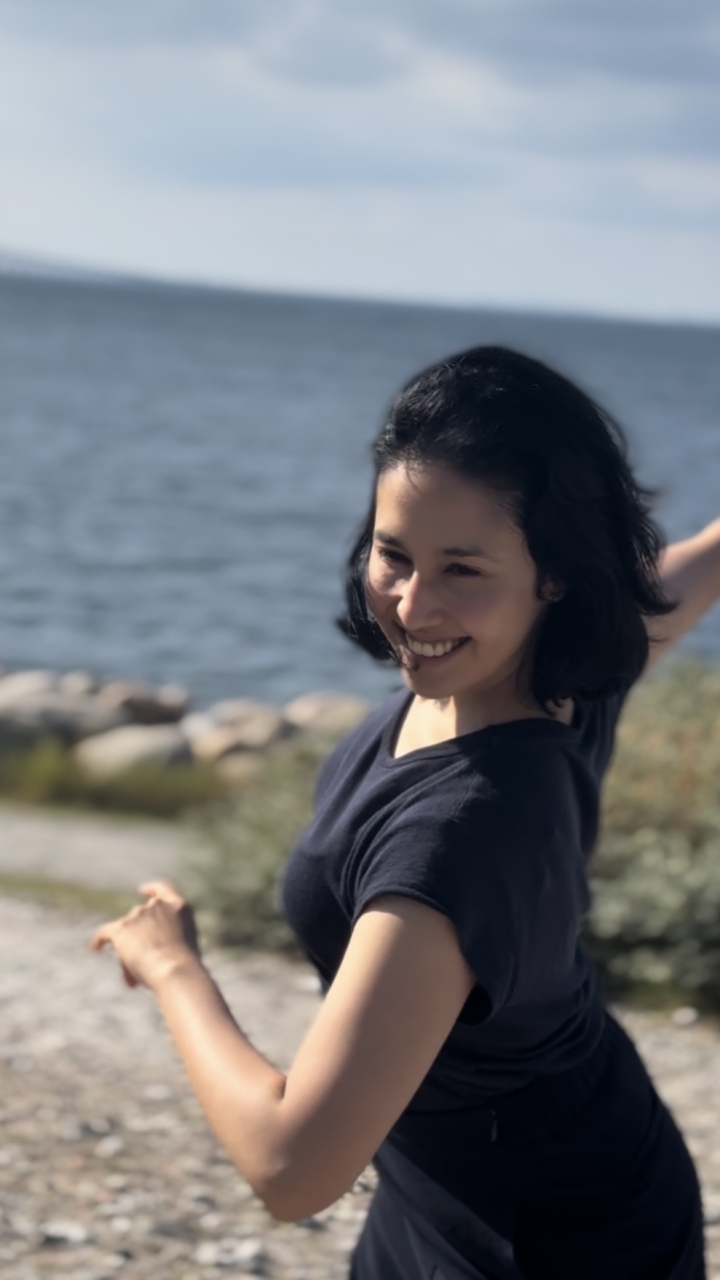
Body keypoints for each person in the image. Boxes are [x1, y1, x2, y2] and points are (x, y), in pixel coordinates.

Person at [90, 345, 716, 1278]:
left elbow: (292, 1169)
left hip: (545, 1236)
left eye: (462, 569)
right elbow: (686, 579)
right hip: (464, 1177)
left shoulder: (467, 832)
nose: (412, 608)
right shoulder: (555, 675)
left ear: (554, 574)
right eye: (395, 554)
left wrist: (174, 967)